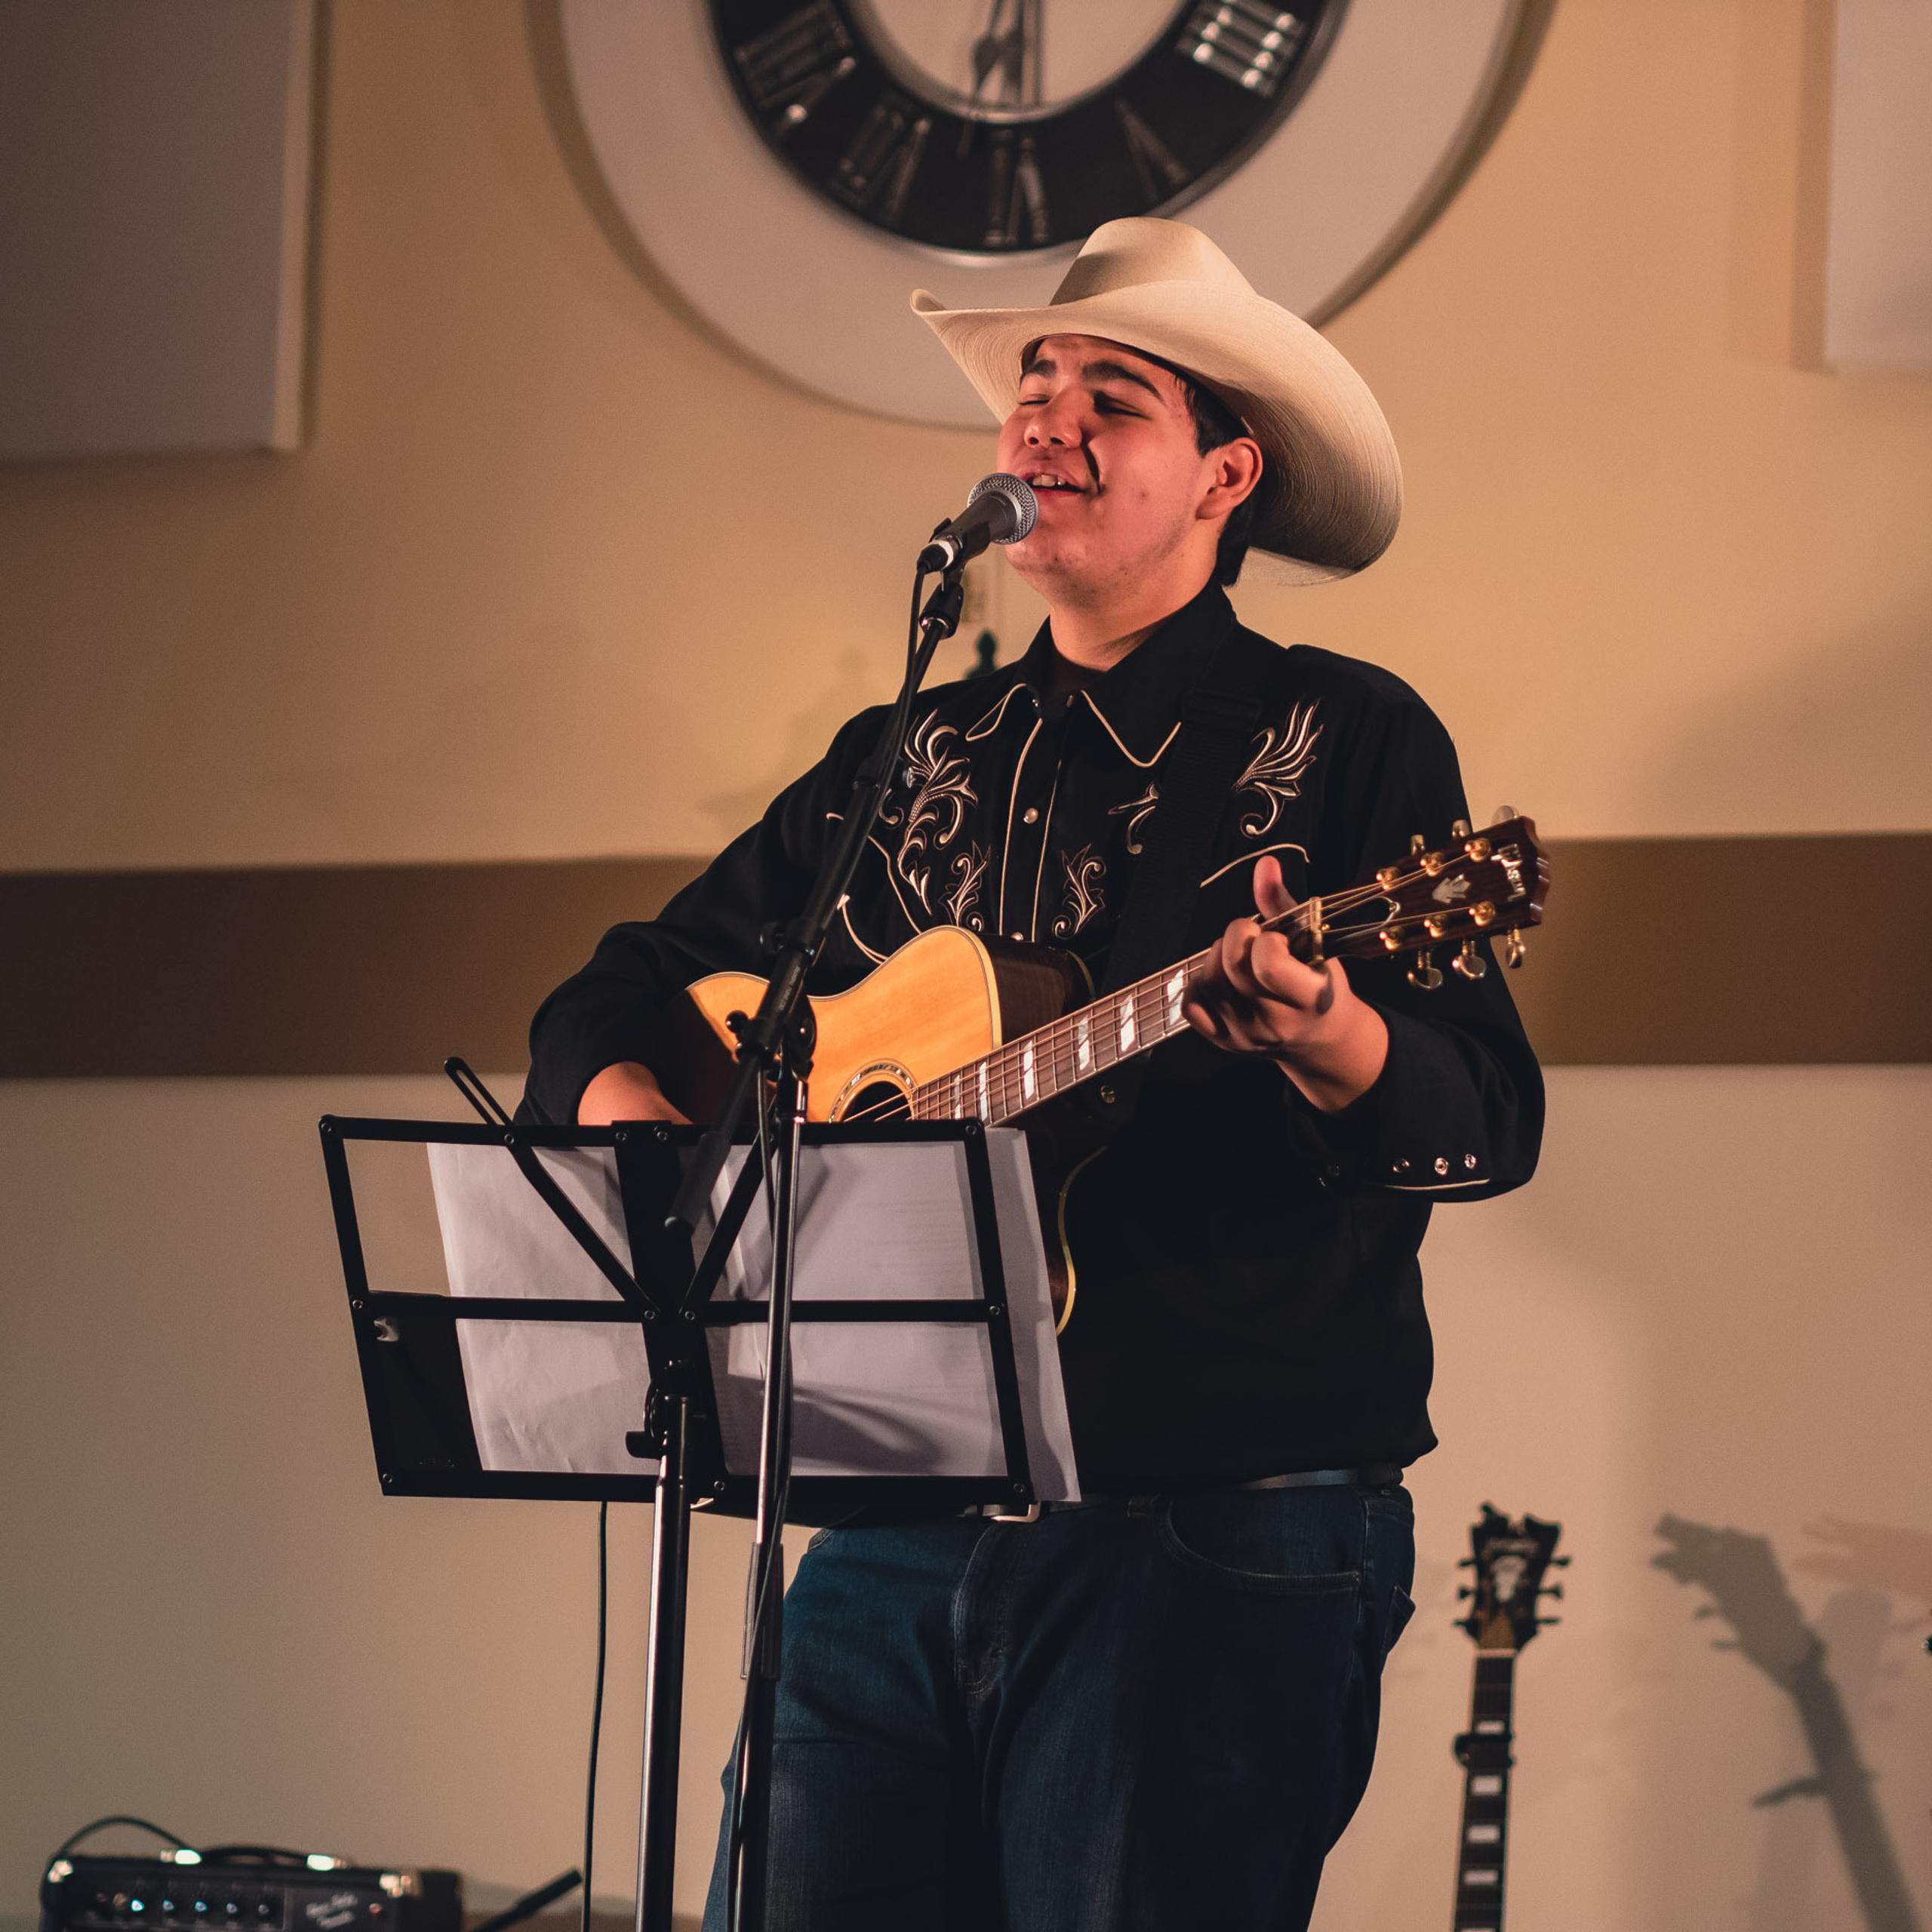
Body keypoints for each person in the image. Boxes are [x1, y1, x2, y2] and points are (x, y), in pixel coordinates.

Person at [521, 218, 1543, 1930]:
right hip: (882, 1528)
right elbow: (616, 990)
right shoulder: (910, 751)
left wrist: (1327, 1034)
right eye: (1034, 385)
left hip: (1206, 1531)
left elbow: (1486, 1116)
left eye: (1112, 398)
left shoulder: (1346, 737)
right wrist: (646, 1139)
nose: (1046, 421)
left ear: (1225, 475)